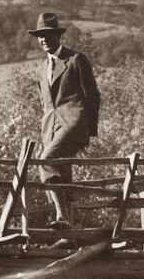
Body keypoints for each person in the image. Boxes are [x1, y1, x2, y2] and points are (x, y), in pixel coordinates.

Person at [28, 11, 101, 229]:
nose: (43, 39)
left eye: (48, 35)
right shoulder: (42, 69)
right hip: (51, 127)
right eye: (40, 35)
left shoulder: (76, 60)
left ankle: (61, 216)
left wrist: (89, 131)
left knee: (46, 160)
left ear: (58, 36)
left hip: (74, 122)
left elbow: (92, 95)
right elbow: (46, 104)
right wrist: (46, 129)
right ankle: (69, 231)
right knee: (62, 174)